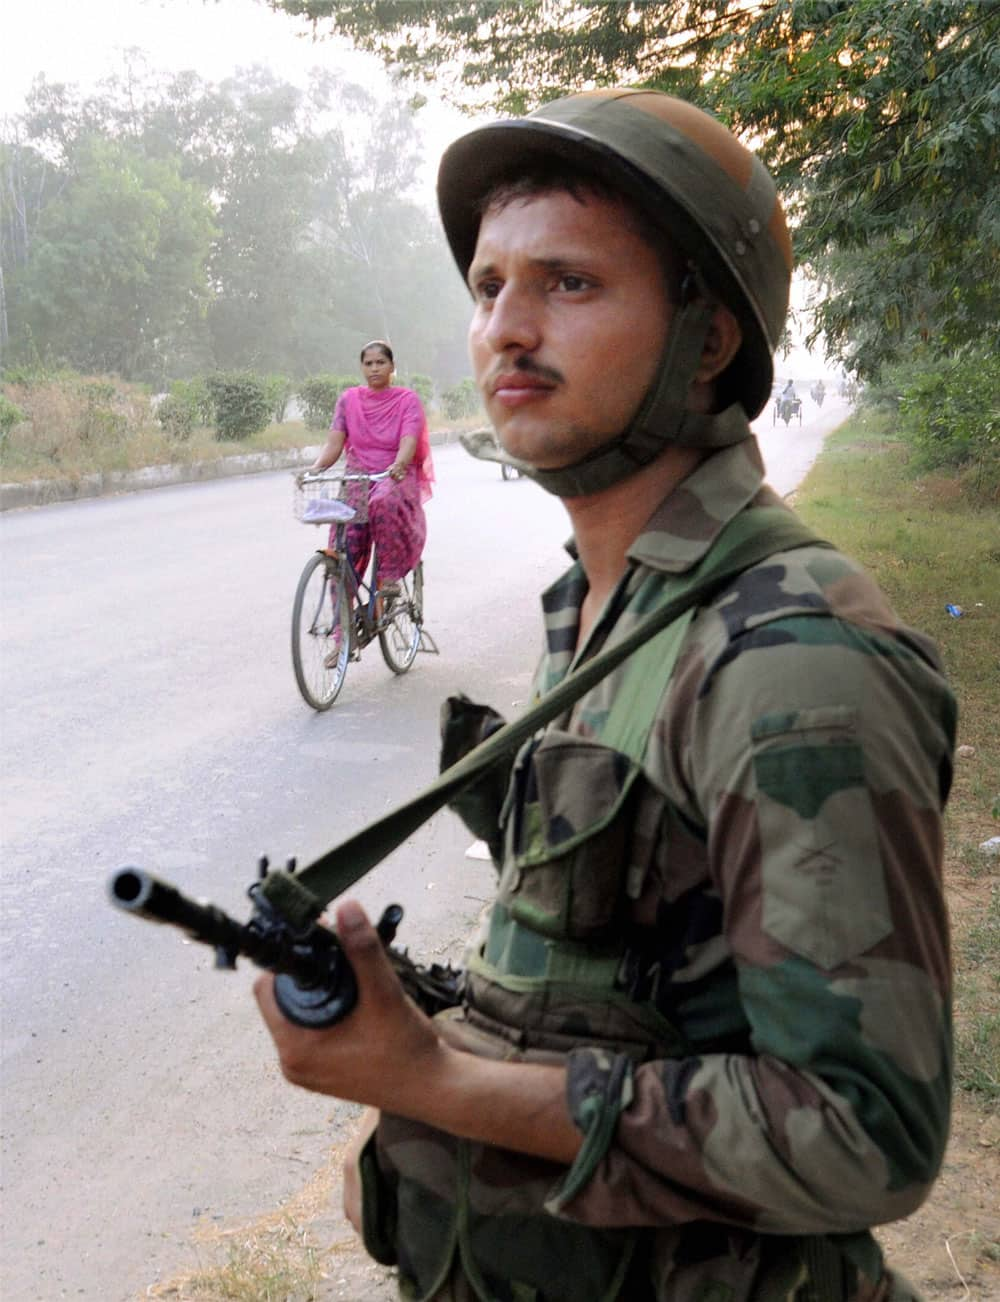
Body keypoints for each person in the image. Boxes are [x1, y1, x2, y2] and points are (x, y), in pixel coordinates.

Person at [256, 89, 956, 1302]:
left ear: (709, 337)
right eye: (488, 288)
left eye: (569, 285)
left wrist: (432, 1084)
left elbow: (862, 1135)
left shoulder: (789, 654)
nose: (506, 331)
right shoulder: (604, 601)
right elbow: (640, 983)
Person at [307, 340, 434, 606]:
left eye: (381, 363)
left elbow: (409, 441)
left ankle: (388, 576)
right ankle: (342, 635)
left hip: (395, 476)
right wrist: (316, 469)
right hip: (359, 477)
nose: (374, 368)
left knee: (382, 502)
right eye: (368, 363)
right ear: (361, 367)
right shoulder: (348, 400)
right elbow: (334, 443)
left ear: (392, 367)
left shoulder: (406, 400)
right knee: (343, 549)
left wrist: (398, 465)